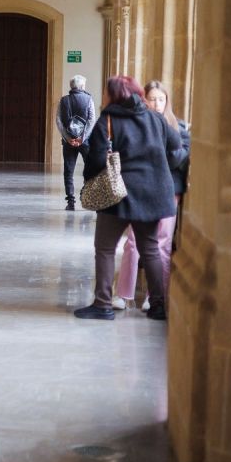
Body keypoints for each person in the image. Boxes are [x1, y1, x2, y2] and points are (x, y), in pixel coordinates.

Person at [74, 76, 181, 321]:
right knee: (151, 249)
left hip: (119, 195)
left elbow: (97, 161)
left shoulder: (109, 119)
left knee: (105, 248)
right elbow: (176, 147)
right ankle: (158, 305)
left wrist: (91, 178)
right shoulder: (155, 117)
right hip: (153, 194)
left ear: (113, 95)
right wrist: (161, 166)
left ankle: (102, 304)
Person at [113, 80, 191, 313]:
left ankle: (155, 297)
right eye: (152, 98)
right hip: (141, 191)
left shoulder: (178, 127)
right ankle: (123, 295)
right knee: (133, 243)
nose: (157, 103)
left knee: (163, 243)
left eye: (161, 99)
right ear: (144, 100)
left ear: (167, 101)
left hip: (169, 192)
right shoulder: (136, 125)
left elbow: (179, 159)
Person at [56, 75, 97, 211]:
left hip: (68, 143)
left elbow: (59, 121)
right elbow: (91, 120)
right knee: (90, 168)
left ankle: (70, 202)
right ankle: (84, 194)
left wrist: (68, 138)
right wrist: (83, 138)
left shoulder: (63, 100)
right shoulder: (89, 99)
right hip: (84, 142)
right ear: (82, 86)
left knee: (68, 171)